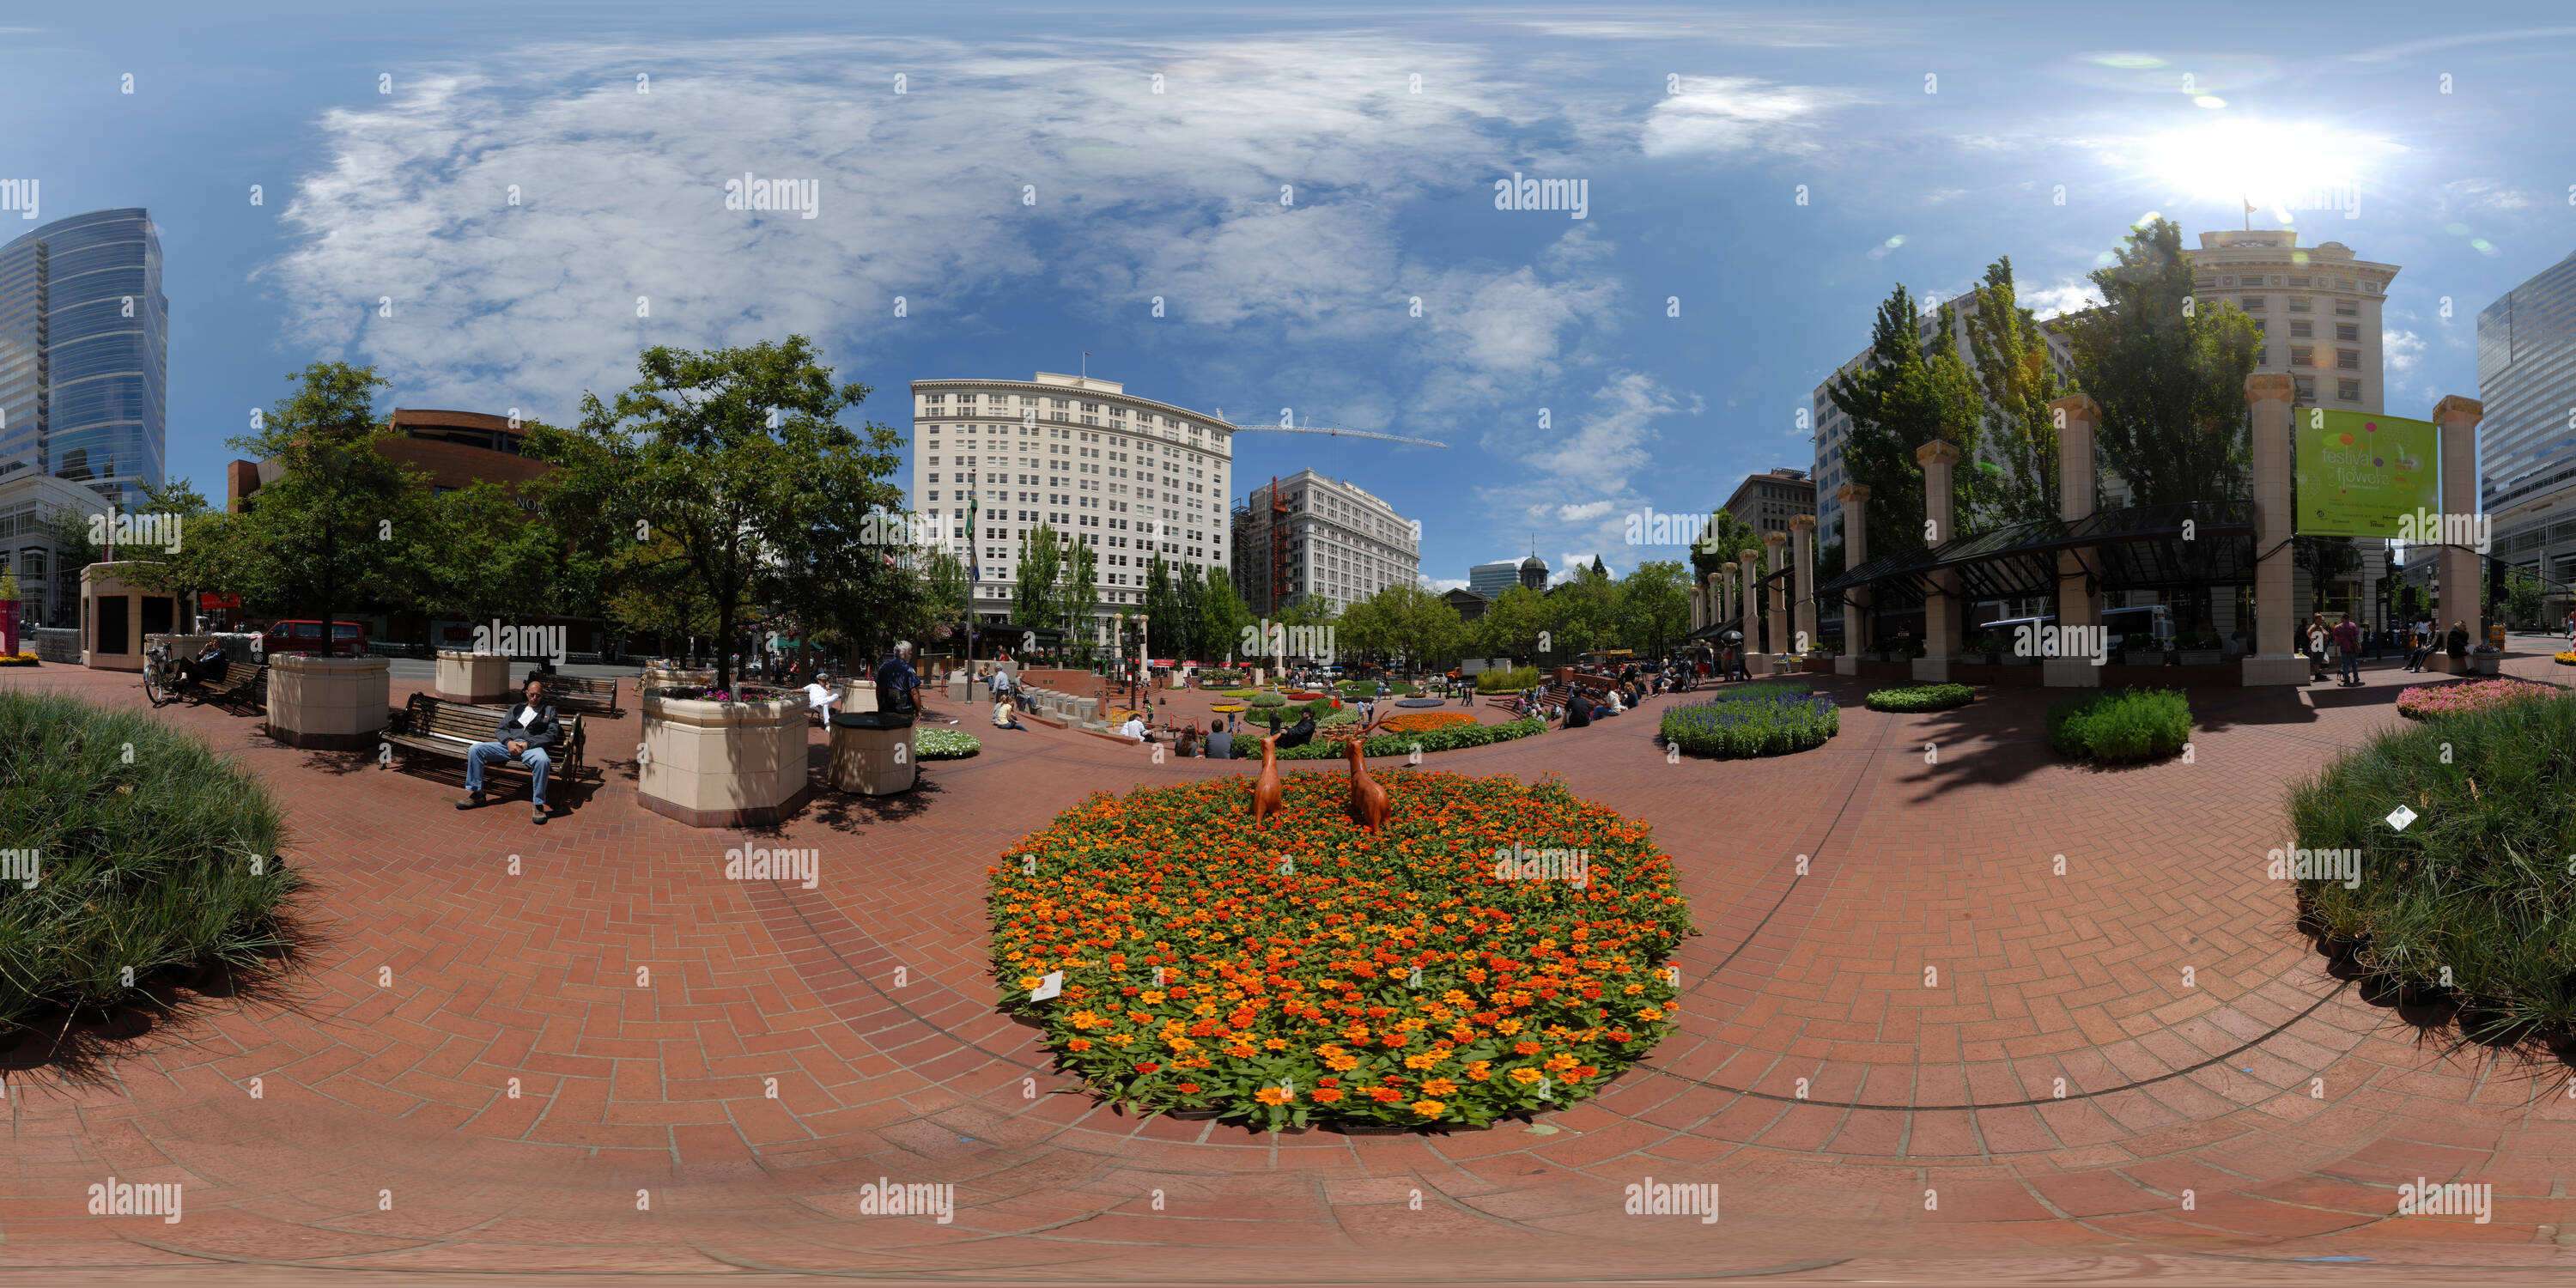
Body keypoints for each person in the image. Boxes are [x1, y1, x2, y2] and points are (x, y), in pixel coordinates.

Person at [457, 676, 561, 825]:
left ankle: (538, 804)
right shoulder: (516, 709)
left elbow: (551, 735)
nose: (535, 698)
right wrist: (508, 742)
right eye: (532, 694)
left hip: (531, 748)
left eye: (538, 695)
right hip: (508, 747)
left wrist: (527, 744)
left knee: (543, 760)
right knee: (475, 749)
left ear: (542, 695)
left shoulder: (549, 711)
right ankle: (477, 794)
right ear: (526, 693)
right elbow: (501, 729)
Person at [877, 640, 926, 722]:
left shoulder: (883, 667)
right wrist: (919, 710)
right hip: (903, 709)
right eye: (910, 653)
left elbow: (878, 689)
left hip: (886, 707)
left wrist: (879, 704)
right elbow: (914, 692)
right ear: (905, 653)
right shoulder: (908, 669)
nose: (911, 656)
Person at [2333, 617, 2363, 686]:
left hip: (2343, 648)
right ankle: (2356, 677)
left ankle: (2347, 678)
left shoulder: (2338, 627)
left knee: (2345, 664)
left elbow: (2336, 639)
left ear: (2342, 619)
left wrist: (2335, 650)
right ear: (2348, 618)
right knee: (2354, 663)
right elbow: (2356, 636)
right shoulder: (2353, 625)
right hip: (2352, 647)